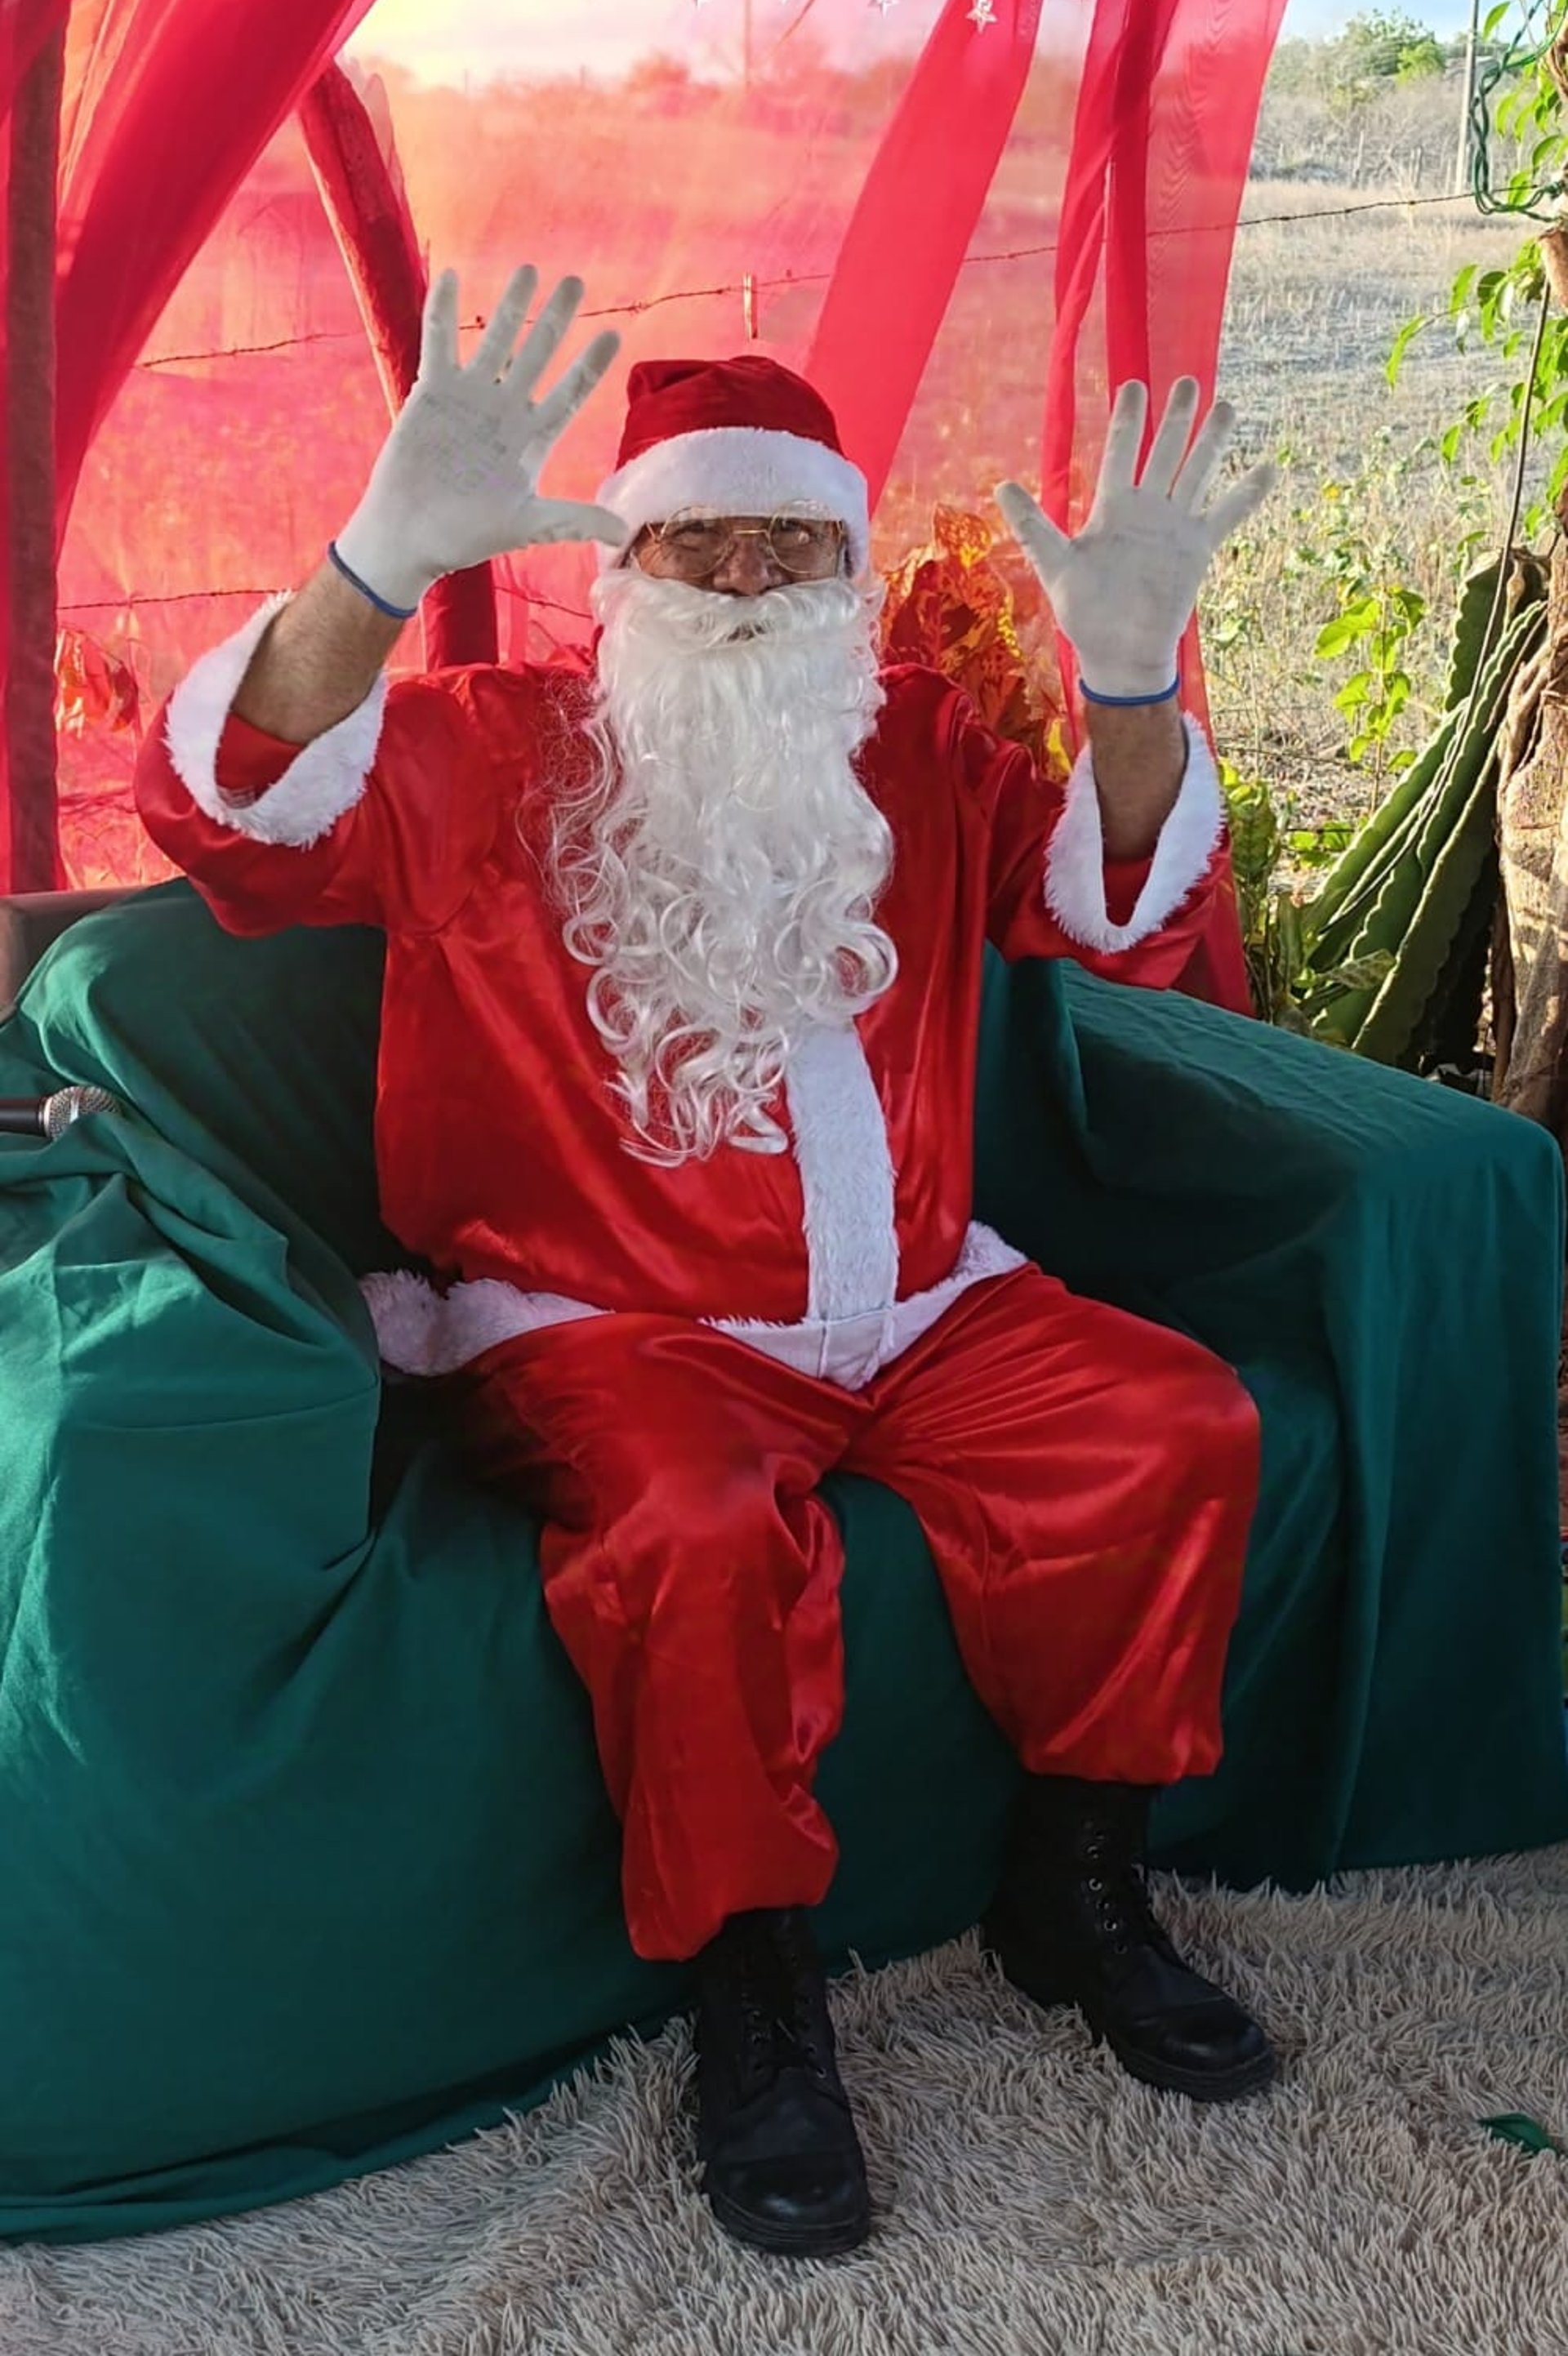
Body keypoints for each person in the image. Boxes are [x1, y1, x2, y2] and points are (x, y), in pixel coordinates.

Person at [136, 263, 1279, 2262]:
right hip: (615, 1321)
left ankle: (1076, 1889)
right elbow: (231, 817)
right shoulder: (487, 749)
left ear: (843, 574)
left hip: (921, 1305)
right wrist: (376, 563)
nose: (748, 584)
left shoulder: (913, 746)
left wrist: (1128, 686)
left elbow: (1110, 915)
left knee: (1170, 1422)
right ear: (626, 557)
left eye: (793, 545)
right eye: (703, 539)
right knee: (687, 1531)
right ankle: (758, 1989)